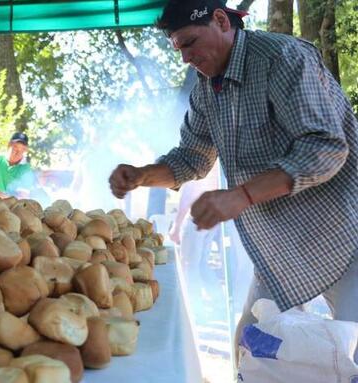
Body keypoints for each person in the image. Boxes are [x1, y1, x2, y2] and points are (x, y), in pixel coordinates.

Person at [108, 0, 358, 361]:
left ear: (222, 21)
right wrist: (142, 176)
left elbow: (325, 147)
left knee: (353, 354)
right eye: (178, 49)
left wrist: (241, 195)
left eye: (190, 43)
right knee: (251, 349)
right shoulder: (206, 91)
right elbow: (191, 159)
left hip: (342, 235)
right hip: (282, 249)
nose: (185, 59)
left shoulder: (283, 57)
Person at [170, 161, 225, 325]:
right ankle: (219, 305)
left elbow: (189, 193)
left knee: (189, 266)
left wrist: (177, 225)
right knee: (201, 264)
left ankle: (194, 312)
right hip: (211, 216)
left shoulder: (196, 158)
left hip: (196, 217)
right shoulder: (214, 158)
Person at [0, 132, 45, 201]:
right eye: (15, 147)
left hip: (16, 209)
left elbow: (22, 198)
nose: (18, 152)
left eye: (22, 149)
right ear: (9, 145)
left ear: (25, 150)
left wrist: (2, 196)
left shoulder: (26, 169)